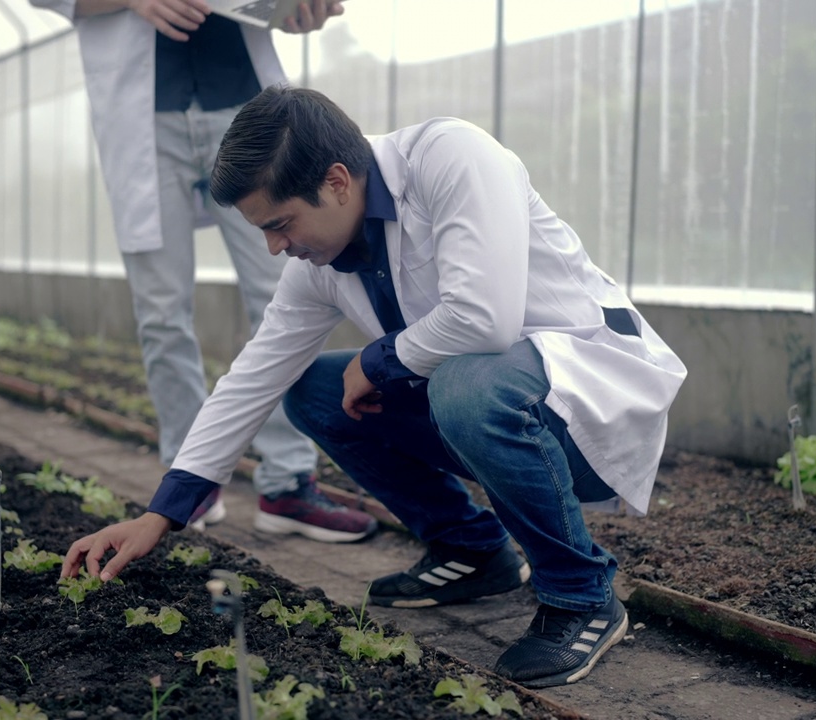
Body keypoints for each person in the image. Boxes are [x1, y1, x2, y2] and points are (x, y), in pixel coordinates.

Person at [61, 86, 688, 688]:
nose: (276, 248)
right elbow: (251, 380)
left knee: (465, 385)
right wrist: (161, 513)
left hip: (589, 399)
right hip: (494, 405)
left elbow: (485, 317)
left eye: (280, 224)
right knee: (307, 388)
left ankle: (582, 596)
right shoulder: (322, 262)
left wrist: (380, 360)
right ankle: (472, 551)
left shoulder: (451, 157)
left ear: (336, 182)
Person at [27, 0, 376, 543]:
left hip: (244, 109)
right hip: (145, 116)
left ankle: (286, 484)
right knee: (162, 311)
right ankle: (188, 485)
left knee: (282, 296)